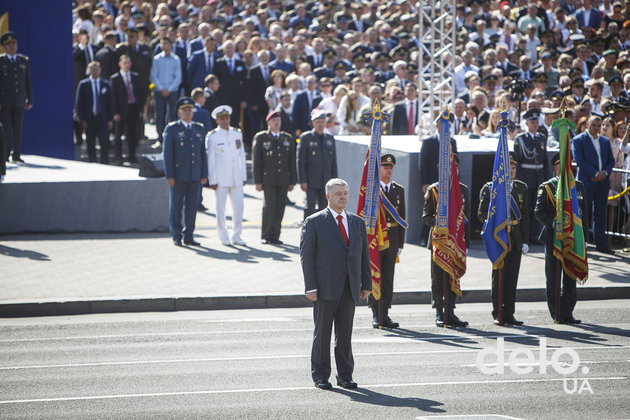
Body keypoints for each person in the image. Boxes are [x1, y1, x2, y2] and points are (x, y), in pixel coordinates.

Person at [300, 177, 372, 390]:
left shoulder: (357, 222)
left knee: (345, 334)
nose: (342, 197)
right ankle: (321, 375)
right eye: (338, 194)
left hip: (350, 287)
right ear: (328, 196)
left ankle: (345, 375)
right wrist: (310, 286)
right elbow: (307, 257)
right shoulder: (314, 222)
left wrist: (366, 283)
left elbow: (363, 256)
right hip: (324, 288)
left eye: (345, 194)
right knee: (322, 334)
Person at [478, 152, 529, 326]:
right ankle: (498, 312)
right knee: (499, 276)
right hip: (499, 237)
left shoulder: (521, 188)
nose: (512, 171)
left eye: (514, 168)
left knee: (512, 277)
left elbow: (526, 217)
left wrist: (526, 240)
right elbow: (482, 212)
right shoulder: (491, 188)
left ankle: (509, 313)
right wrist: (494, 226)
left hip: (515, 238)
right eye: (509, 168)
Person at [534, 152, 583, 324]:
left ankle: (568, 311)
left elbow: (582, 214)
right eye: (564, 165)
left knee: (570, 274)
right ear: (556, 167)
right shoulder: (547, 187)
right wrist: (555, 224)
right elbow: (539, 212)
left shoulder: (578, 186)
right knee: (553, 275)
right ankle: (556, 311)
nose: (569, 168)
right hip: (553, 236)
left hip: (572, 237)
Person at [422, 154, 469, 327]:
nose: (452, 170)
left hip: (456, 242)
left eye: (455, 167)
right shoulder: (433, 190)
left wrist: (467, 244)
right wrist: (440, 224)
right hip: (438, 242)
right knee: (438, 279)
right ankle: (439, 312)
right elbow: (425, 216)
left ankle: (451, 312)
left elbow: (466, 220)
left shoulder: (463, 190)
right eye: (449, 168)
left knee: (452, 276)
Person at [162, 97, 208, 246]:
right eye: (185, 110)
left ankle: (189, 235)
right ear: (179, 112)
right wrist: (169, 175)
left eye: (190, 110)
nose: (188, 113)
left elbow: (202, 154)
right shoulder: (172, 128)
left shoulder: (198, 128)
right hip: (178, 175)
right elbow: (167, 155)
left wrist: (204, 174)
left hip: (194, 175)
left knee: (192, 206)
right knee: (176, 206)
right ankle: (176, 234)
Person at [367, 154, 406, 329]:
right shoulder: (372, 190)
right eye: (385, 167)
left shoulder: (399, 190)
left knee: (388, 278)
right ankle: (376, 313)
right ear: (379, 169)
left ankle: (386, 313)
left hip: (392, 239)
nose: (388, 170)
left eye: (390, 167)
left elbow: (402, 218)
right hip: (376, 239)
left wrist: (400, 244)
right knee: (375, 275)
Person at [572, 115, 616, 254]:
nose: (596, 128)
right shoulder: (579, 140)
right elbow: (580, 161)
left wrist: (605, 173)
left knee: (600, 213)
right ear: (587, 125)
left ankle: (601, 243)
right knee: (583, 213)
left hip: (602, 183)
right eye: (594, 125)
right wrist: (595, 173)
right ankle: (582, 242)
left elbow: (611, 160)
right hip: (587, 181)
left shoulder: (604, 141)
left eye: (599, 125)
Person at [252, 110, 297, 244]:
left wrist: (292, 181)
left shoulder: (287, 138)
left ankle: (275, 235)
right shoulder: (261, 138)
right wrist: (257, 181)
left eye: (278, 120)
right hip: (268, 178)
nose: (277, 122)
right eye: (274, 120)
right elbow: (256, 161)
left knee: (280, 207)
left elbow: (291, 161)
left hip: (283, 178)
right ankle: (265, 234)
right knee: (269, 206)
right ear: (268, 123)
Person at [206, 105, 247, 246]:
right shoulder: (213, 136)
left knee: (239, 207)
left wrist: (244, 176)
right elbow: (210, 160)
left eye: (227, 118)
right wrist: (212, 179)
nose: (225, 121)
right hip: (221, 178)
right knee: (221, 208)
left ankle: (236, 235)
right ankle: (223, 235)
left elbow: (242, 155)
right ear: (217, 121)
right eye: (221, 118)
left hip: (236, 177)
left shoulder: (237, 133)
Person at [513, 108, 550, 244]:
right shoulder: (521, 139)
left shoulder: (542, 138)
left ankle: (534, 235)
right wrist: (522, 181)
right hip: (526, 178)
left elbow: (545, 161)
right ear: (527, 123)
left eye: (536, 122)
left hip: (539, 178)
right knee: (526, 209)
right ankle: (525, 236)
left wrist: (546, 179)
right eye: (532, 122)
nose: (535, 124)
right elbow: (517, 162)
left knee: (537, 207)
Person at [297, 110, 338, 219]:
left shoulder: (330, 139)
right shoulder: (306, 138)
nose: (320, 124)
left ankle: (322, 232)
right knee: (310, 207)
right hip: (311, 180)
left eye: (322, 121)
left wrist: (334, 181)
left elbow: (333, 162)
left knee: (325, 208)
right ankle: (308, 231)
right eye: (318, 121)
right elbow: (301, 161)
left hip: (326, 179)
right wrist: (303, 180)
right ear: (313, 123)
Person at [0, 31, 33, 163]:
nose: (12, 47)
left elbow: (27, 82)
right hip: (5, 102)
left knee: (18, 129)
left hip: (19, 100)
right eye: (8, 45)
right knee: (6, 129)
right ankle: (5, 154)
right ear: (4, 47)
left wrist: (30, 99)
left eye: (13, 44)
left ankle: (17, 154)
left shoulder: (23, 61)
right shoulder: (1, 61)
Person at [75, 61, 114, 164]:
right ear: (89, 71)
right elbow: (79, 104)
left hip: (102, 118)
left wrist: (110, 119)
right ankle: (92, 162)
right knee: (90, 142)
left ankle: (104, 163)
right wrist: (82, 119)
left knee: (104, 142)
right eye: (92, 69)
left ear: (100, 70)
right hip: (89, 118)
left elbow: (110, 102)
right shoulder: (83, 84)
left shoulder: (105, 84)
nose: (94, 71)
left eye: (96, 69)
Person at [110, 54, 141, 164]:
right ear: (120, 64)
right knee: (118, 134)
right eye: (125, 63)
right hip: (120, 110)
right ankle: (119, 157)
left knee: (132, 134)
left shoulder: (135, 76)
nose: (127, 65)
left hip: (132, 107)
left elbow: (138, 93)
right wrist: (115, 112)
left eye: (128, 63)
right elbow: (113, 97)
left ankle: (132, 156)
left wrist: (140, 110)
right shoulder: (115, 78)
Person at [151, 37, 181, 147]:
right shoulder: (157, 59)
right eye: (162, 43)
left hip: (172, 91)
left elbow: (178, 77)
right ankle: (160, 137)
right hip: (160, 91)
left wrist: (169, 89)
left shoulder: (176, 59)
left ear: (171, 44)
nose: (164, 45)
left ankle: (171, 136)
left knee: (172, 114)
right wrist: (161, 88)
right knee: (159, 114)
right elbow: (154, 75)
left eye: (166, 43)